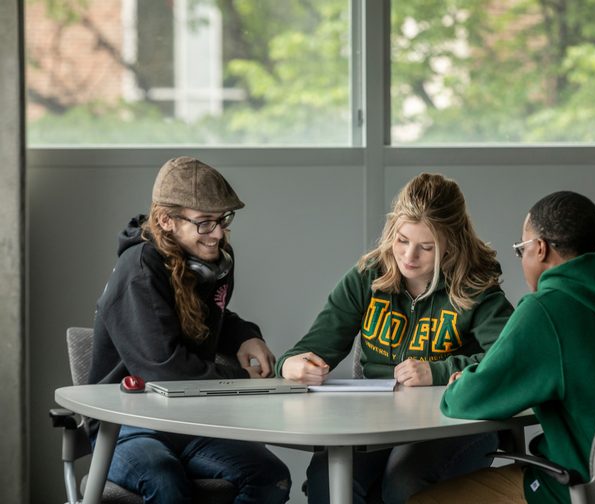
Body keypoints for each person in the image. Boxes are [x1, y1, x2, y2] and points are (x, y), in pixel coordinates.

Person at [275, 173, 515, 504]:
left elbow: (512, 359)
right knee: (326, 480)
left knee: (404, 482)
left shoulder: (477, 287)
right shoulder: (368, 276)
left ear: (452, 244)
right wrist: (290, 364)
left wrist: (439, 371)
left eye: (426, 247)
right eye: (402, 240)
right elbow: (311, 348)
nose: (409, 256)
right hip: (379, 419)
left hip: (454, 422)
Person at [409, 191, 595, 504]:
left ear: (540, 249)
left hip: (575, 488)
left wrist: (461, 382)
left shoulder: (546, 311)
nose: (521, 258)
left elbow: (465, 401)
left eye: (520, 249)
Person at [88, 156, 291, 504]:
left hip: (188, 421)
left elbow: (201, 317)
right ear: (167, 220)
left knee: (271, 478)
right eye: (204, 223)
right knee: (164, 479)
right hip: (127, 426)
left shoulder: (208, 261)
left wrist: (245, 334)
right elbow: (164, 369)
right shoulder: (138, 271)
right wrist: (241, 382)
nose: (217, 234)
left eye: (223, 220)